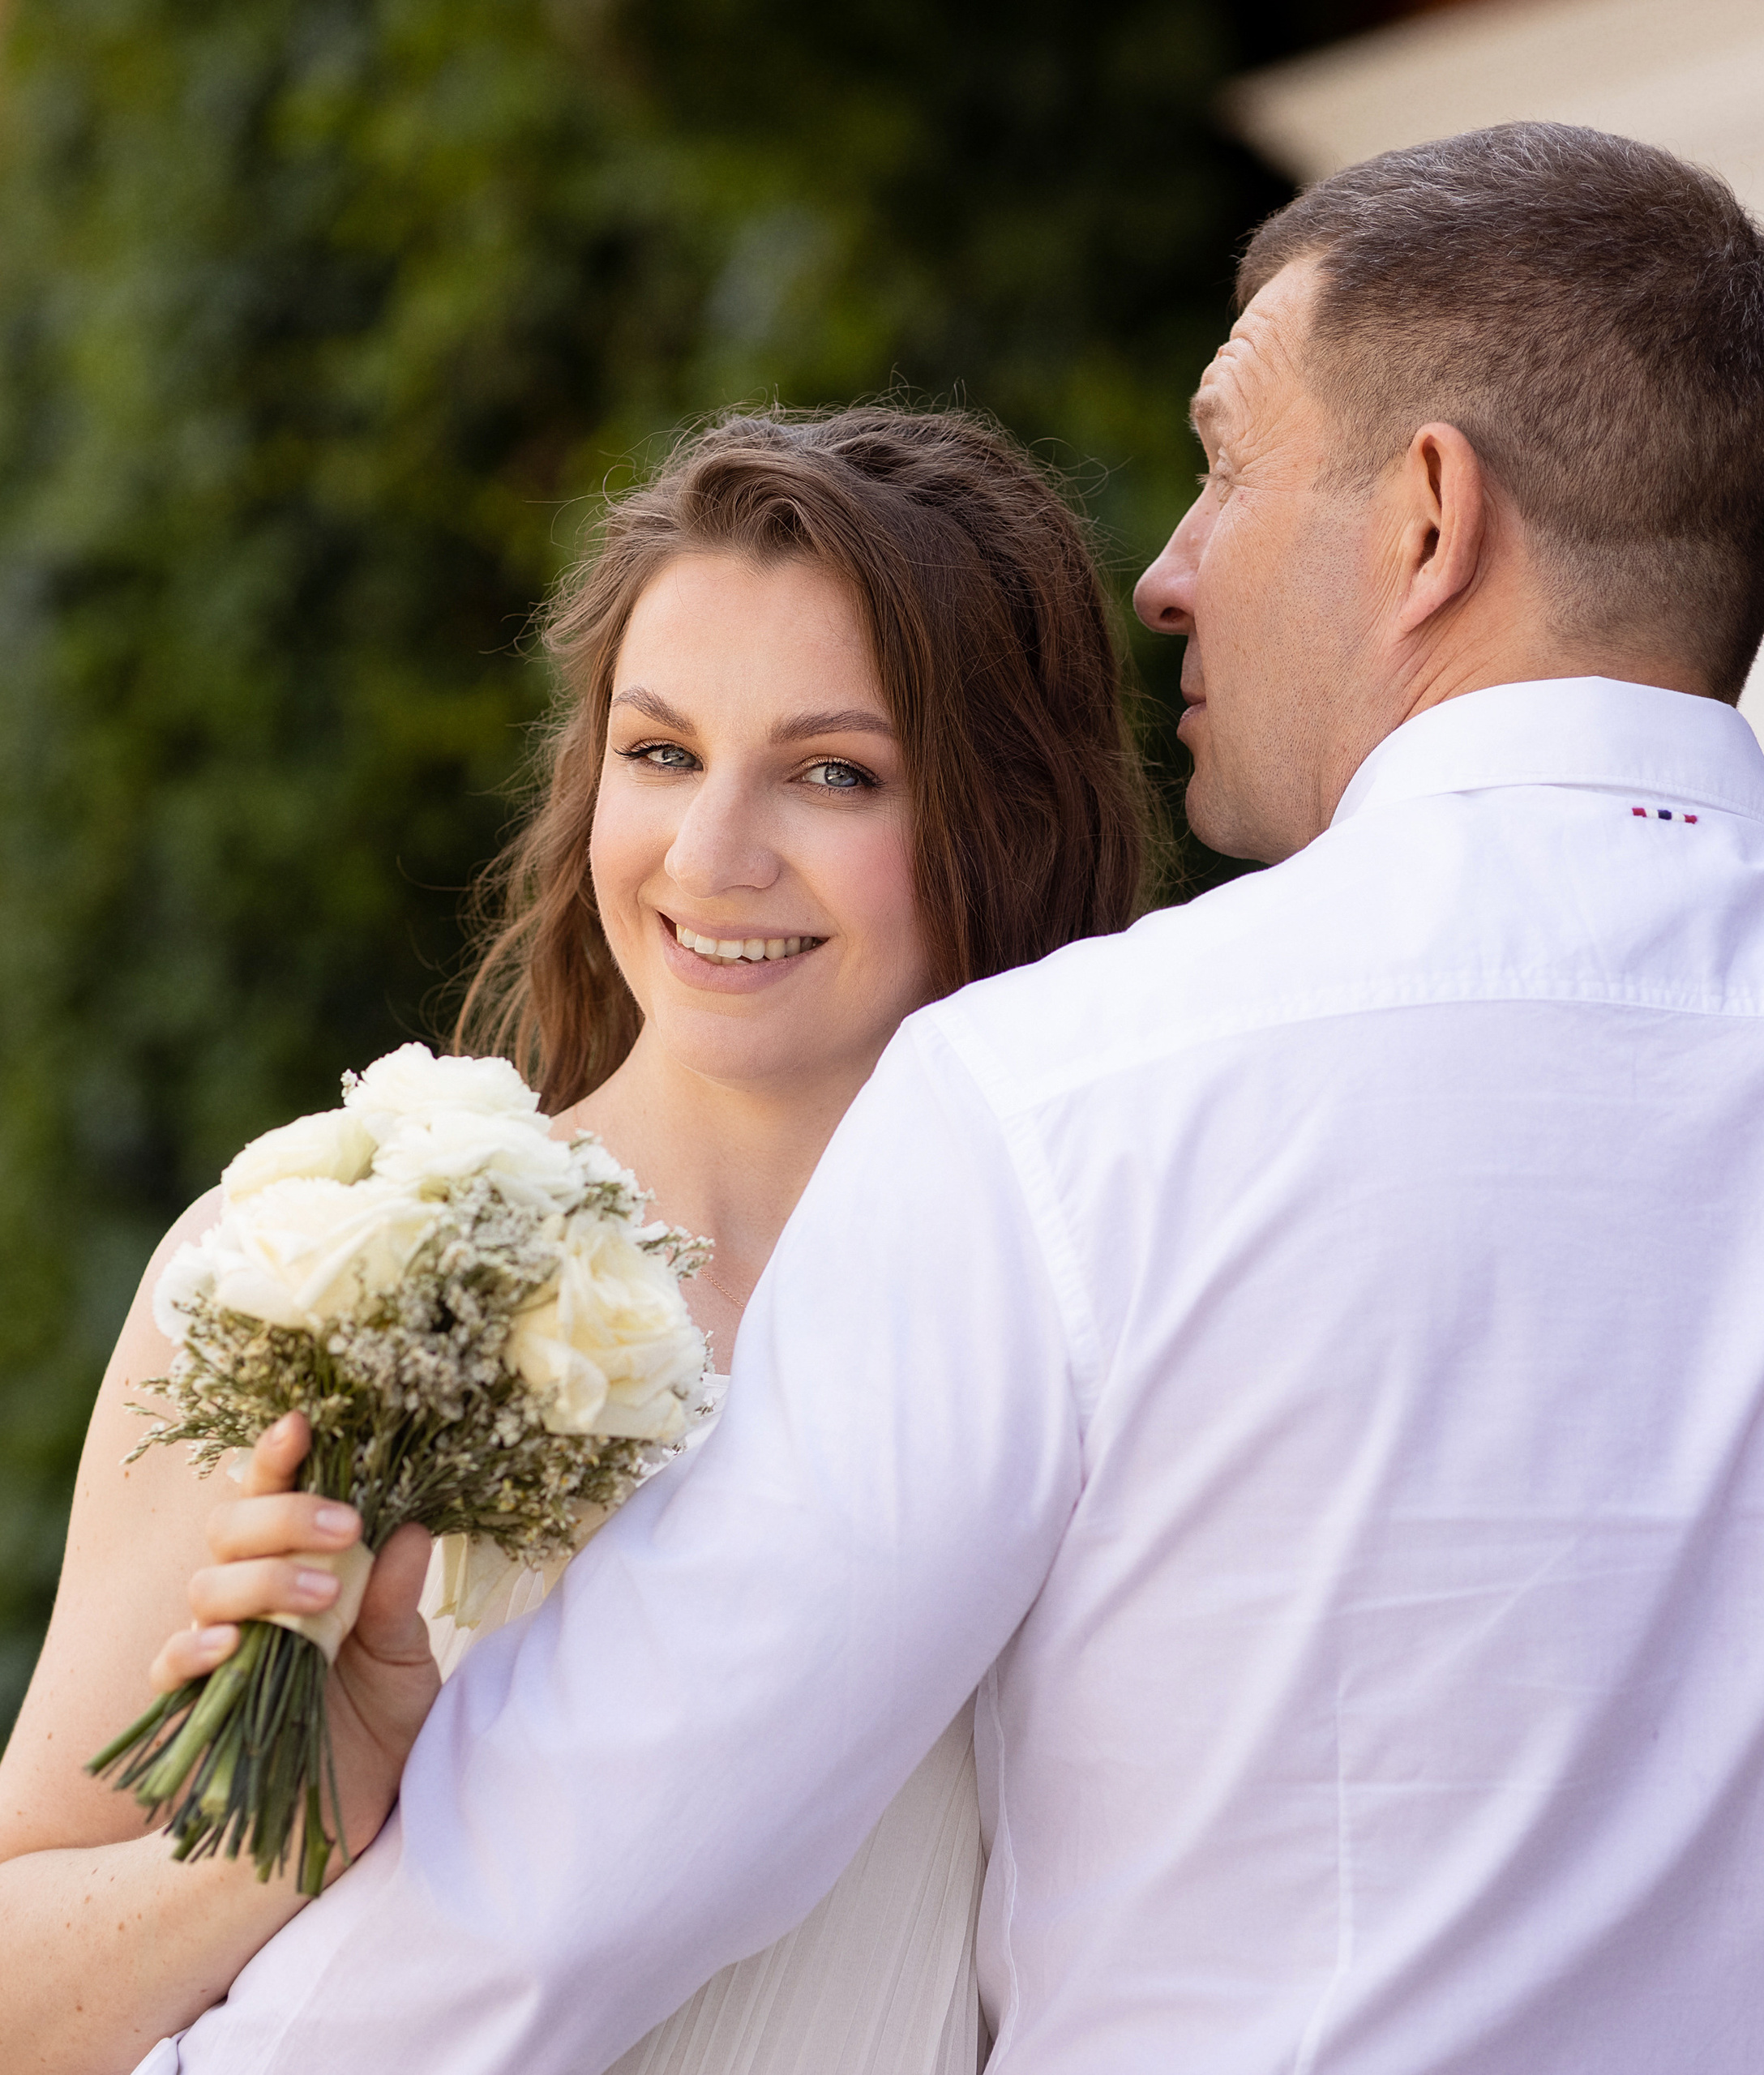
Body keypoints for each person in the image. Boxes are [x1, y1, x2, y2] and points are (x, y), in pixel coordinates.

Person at [152, 122, 1764, 2073]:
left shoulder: (1080, 1096)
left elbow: (597, 1852)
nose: (1165, 572)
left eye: (1228, 462)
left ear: (1426, 519)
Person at [0, 404, 1155, 2075]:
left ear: (1001, 812)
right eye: (658, 753)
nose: (710, 855)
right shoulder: (330, 1265)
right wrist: (305, 1795)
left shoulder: (1104, 1318)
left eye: (829, 771)